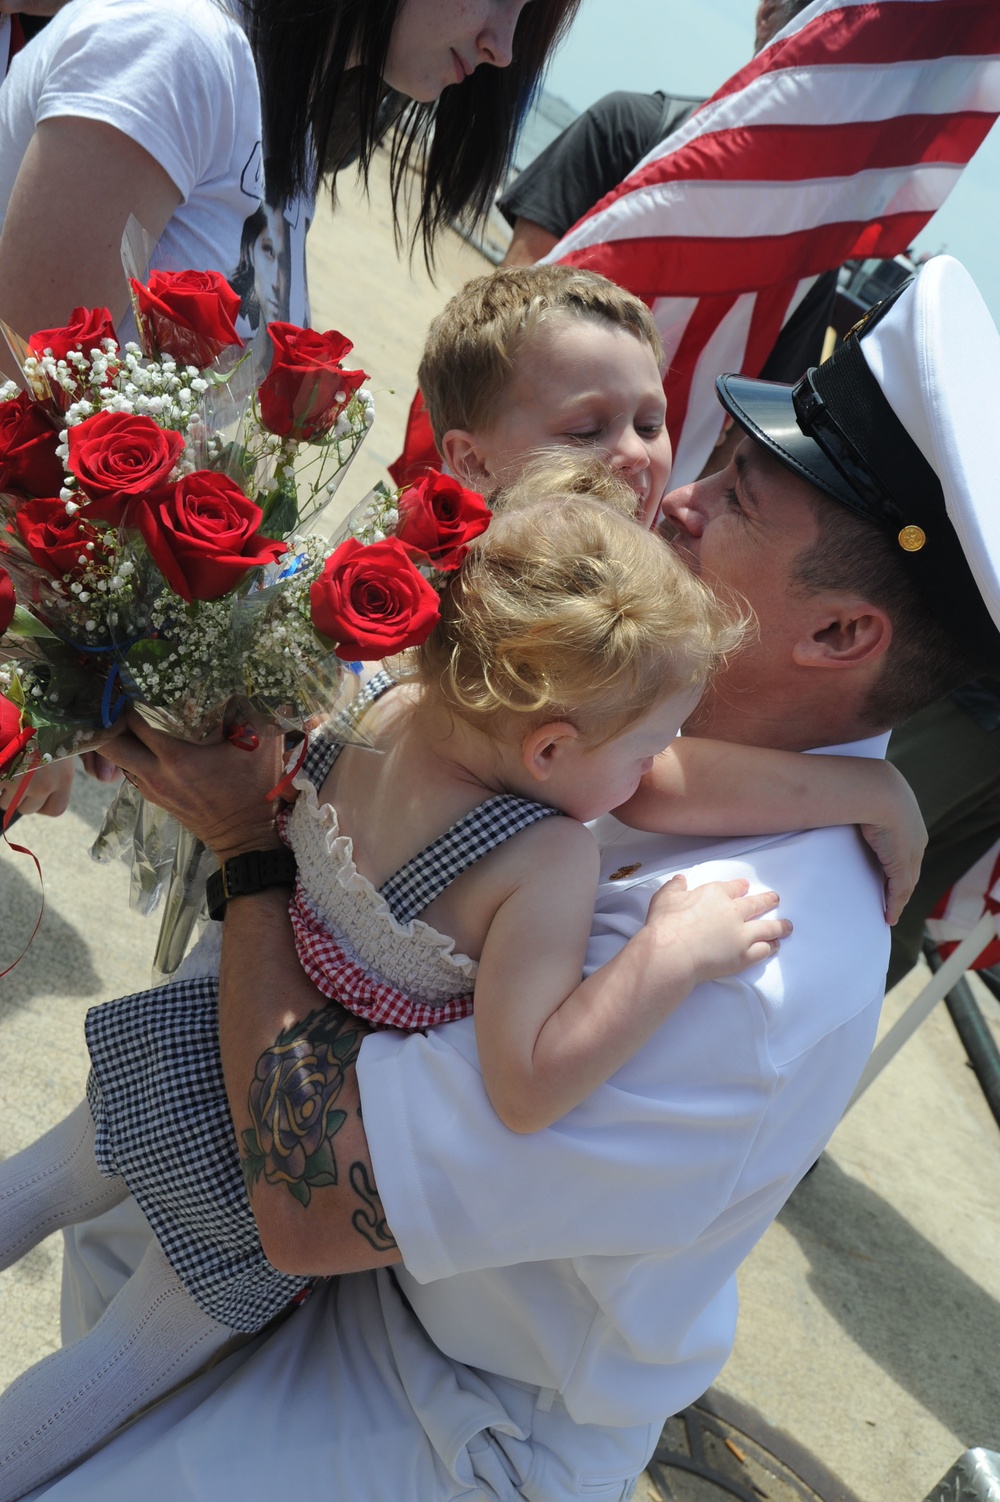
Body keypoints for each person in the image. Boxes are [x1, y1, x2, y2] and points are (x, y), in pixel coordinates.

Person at [18, 253, 993, 1501]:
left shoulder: (748, 958)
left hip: (444, 1406)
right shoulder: (640, 708)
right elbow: (631, 778)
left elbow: (313, 1203)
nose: (674, 494)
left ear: (842, 634)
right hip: (344, 1256)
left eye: (737, 498)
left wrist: (250, 852)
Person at [0, 0, 581, 822]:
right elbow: (25, 385)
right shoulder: (181, 48)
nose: (502, 47)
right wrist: (42, 674)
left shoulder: (277, 113)